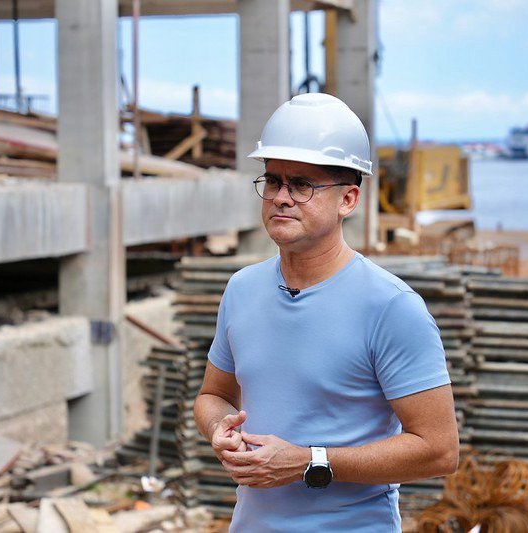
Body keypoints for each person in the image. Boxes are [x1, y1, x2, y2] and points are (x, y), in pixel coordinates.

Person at [193, 93, 459, 532]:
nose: (281, 197)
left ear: (348, 200)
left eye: (301, 185)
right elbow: (212, 395)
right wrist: (221, 427)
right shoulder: (242, 290)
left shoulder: (391, 308)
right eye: (273, 181)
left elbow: (439, 450)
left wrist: (308, 462)